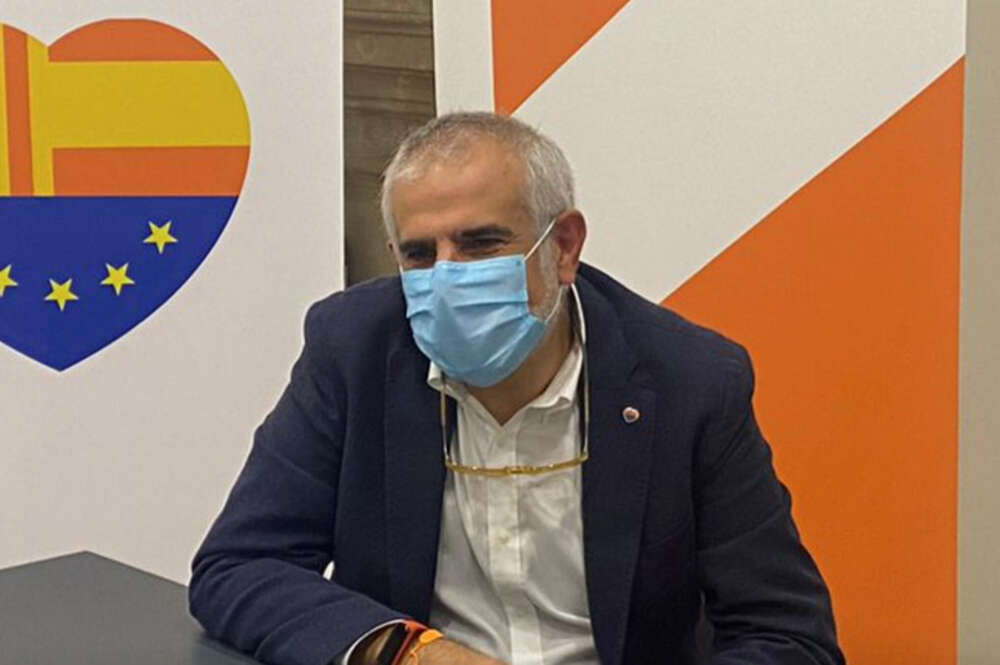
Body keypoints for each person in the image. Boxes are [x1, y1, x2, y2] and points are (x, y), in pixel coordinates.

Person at [189, 112, 844, 665]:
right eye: (419, 254)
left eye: (480, 244)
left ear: (563, 247)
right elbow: (238, 566)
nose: (447, 277)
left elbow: (789, 636)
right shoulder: (353, 349)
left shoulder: (690, 381)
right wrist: (414, 652)